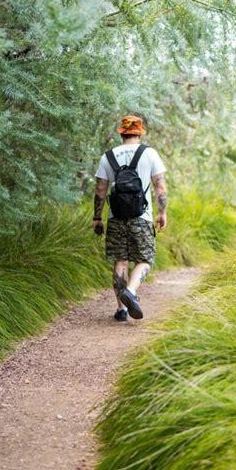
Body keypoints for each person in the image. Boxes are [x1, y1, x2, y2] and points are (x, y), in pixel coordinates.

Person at [93, 115, 167, 321]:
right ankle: (131, 292)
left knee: (120, 261)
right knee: (144, 259)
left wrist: (97, 217)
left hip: (116, 218)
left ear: (122, 133)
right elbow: (160, 186)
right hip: (141, 217)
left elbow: (100, 189)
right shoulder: (149, 153)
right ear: (139, 133)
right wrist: (162, 213)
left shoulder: (108, 156)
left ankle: (121, 310)